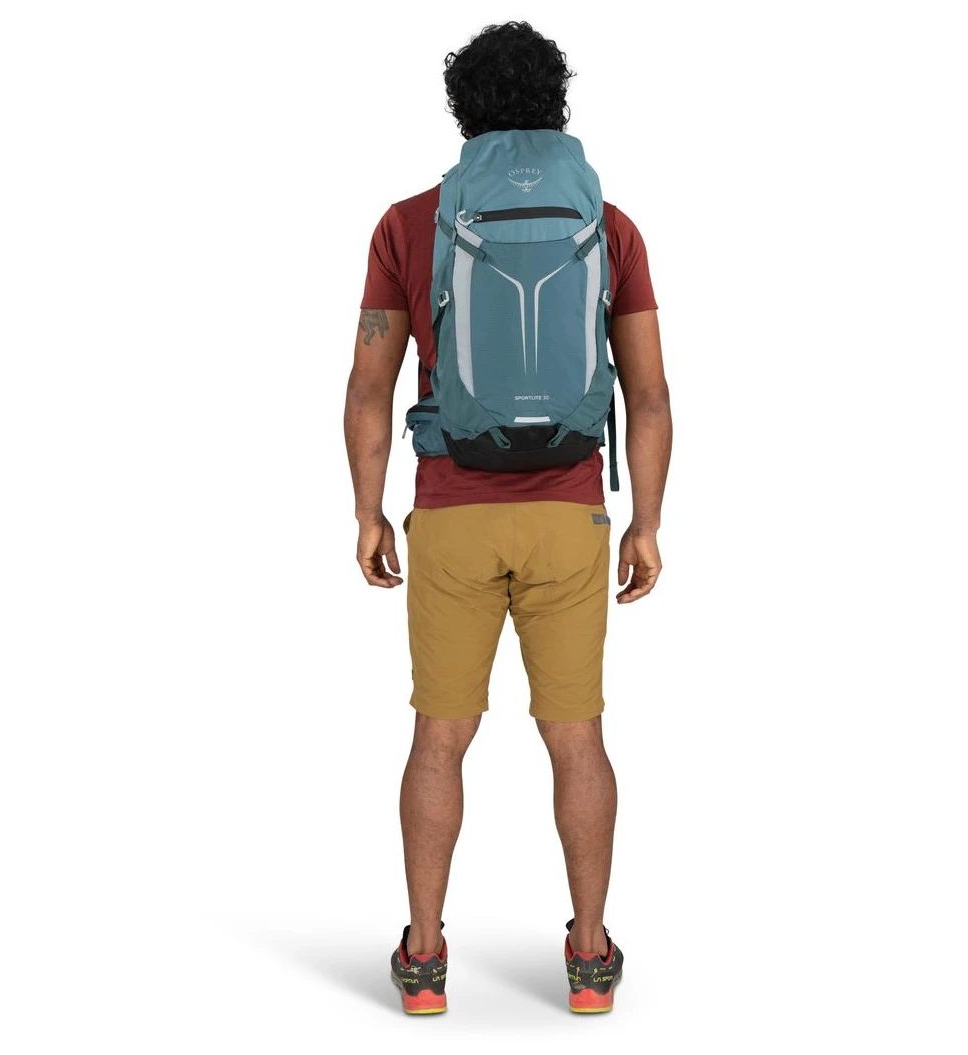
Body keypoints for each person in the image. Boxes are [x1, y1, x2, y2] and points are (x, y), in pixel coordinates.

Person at [343, 21, 672, 1015]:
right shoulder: (606, 225)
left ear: (462, 110)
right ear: (554, 105)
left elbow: (367, 386)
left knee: (438, 736)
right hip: (569, 513)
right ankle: (588, 959)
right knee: (577, 738)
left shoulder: (409, 224)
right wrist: (644, 521)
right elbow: (649, 395)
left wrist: (367, 510)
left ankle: (424, 961)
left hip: (450, 514)